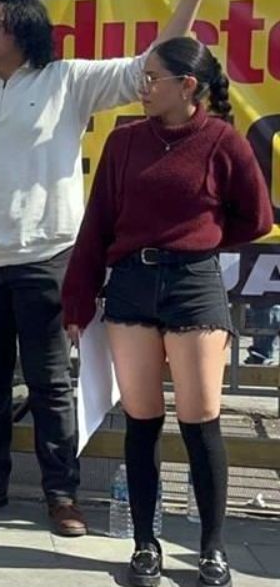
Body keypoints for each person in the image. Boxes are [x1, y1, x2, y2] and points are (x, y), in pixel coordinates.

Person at [0, 0, 214, 535]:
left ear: (25, 32)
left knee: (52, 383)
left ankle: (62, 494)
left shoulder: (68, 81)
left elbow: (147, 68)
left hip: (48, 256)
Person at [62, 37, 271, 587]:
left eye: (153, 78)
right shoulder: (125, 140)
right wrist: (77, 301)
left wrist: (201, 238)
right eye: (143, 76)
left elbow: (256, 217)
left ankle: (212, 549)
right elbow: (97, 225)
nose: (143, 86)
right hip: (131, 283)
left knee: (201, 419)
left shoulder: (223, 141)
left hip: (194, 282)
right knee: (141, 419)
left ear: (189, 86)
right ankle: (145, 545)